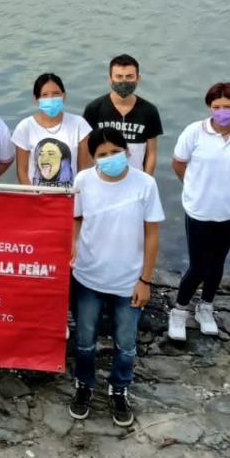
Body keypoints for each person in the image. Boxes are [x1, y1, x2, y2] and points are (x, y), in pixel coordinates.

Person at [68, 127, 164, 428]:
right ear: (93, 158)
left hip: (127, 281)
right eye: (102, 155)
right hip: (87, 277)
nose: (110, 158)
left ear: (127, 150)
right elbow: (76, 218)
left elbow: (151, 235)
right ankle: (84, 384)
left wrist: (144, 280)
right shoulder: (83, 181)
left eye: (115, 151)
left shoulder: (145, 184)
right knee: (84, 341)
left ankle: (119, 388)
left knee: (126, 343)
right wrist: (71, 249)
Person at [168, 82, 230, 342]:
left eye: (227, 107)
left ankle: (206, 306)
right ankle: (179, 309)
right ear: (209, 107)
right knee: (198, 265)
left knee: (217, 263)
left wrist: (229, 186)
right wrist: (194, 186)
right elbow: (178, 163)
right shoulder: (194, 132)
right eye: (216, 107)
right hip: (199, 209)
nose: (222, 111)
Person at [82, 54, 164, 174]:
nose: (124, 81)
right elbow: (86, 149)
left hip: (136, 179)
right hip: (102, 177)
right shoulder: (94, 109)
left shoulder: (149, 111)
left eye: (130, 76)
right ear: (110, 79)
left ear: (138, 78)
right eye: (119, 76)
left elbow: (151, 153)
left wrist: (147, 179)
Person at [12, 73, 92, 186]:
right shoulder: (25, 127)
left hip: (69, 197)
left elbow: (84, 170)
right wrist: (32, 197)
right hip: (36, 198)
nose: (51, 98)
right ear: (36, 99)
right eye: (44, 95)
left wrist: (76, 196)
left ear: (64, 96)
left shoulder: (79, 125)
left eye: (56, 94)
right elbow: (21, 172)